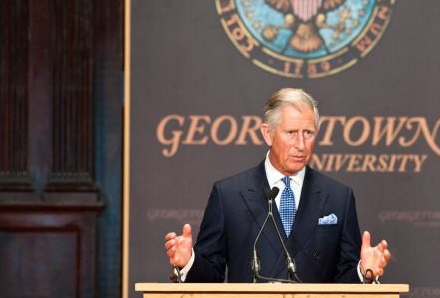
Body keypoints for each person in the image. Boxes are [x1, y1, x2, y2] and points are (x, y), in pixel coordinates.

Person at [164, 87, 391, 283]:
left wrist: (363, 272)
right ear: (268, 134)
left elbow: (344, 282)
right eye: (291, 133)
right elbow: (210, 277)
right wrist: (189, 262)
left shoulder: (339, 197)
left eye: (308, 133)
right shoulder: (229, 195)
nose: (301, 145)